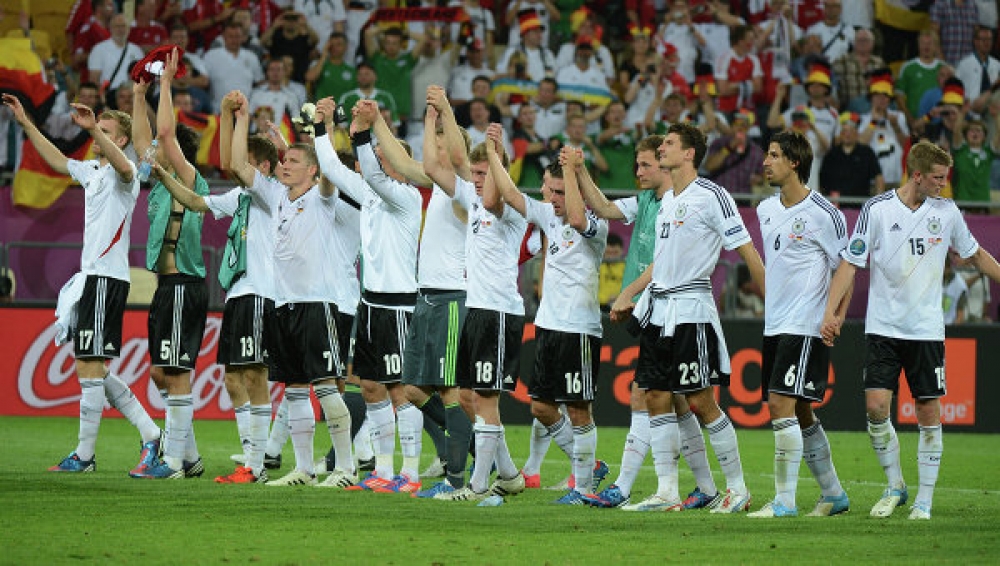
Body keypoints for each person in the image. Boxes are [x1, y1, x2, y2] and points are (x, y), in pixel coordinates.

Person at [822, 140, 1000, 520]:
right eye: (937, 178)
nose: (943, 184)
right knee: (875, 407)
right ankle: (895, 485)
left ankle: (925, 499)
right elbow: (850, 263)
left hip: (925, 330)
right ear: (916, 175)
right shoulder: (877, 209)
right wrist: (830, 312)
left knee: (927, 408)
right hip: (883, 326)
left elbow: (974, 253)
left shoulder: (947, 212)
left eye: (945, 178)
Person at [2, 94, 162, 474]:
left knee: (89, 367)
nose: (96, 136)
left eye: (105, 132)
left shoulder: (126, 176)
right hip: (90, 279)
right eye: (96, 131)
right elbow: (57, 159)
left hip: (108, 279)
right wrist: (27, 124)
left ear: (120, 139)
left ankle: (86, 456)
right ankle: (151, 433)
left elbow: (126, 168)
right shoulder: (91, 170)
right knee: (91, 368)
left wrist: (94, 130)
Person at [617, 122, 765, 512]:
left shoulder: (712, 196)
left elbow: (747, 250)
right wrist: (634, 296)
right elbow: (661, 263)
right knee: (655, 396)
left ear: (688, 154)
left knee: (700, 399)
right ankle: (667, 490)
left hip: (690, 311)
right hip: (658, 311)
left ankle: (738, 489)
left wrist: (772, 299)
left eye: (668, 143)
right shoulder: (667, 201)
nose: (661, 148)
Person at [579, 135, 722, 510]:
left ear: (665, 164)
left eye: (647, 164)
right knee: (670, 399)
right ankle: (703, 487)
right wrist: (579, 171)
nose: (639, 171)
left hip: (669, 306)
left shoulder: (681, 204)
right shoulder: (646, 201)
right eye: (638, 165)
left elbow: (668, 263)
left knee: (649, 392)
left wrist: (629, 293)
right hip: (652, 309)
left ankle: (626, 486)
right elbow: (604, 207)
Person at [152, 90, 280, 485]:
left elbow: (231, 162)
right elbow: (196, 201)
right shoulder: (241, 197)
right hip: (238, 294)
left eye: (251, 164)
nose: (240, 169)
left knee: (255, 376)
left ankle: (257, 466)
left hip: (261, 292)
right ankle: (253, 457)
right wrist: (163, 178)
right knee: (233, 378)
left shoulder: (268, 193)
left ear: (264, 167)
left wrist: (235, 118)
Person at [227, 90, 342, 488]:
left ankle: (344, 468)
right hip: (283, 305)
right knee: (294, 391)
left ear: (312, 170)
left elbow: (329, 171)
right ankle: (304, 469)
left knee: (326, 388)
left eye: (293, 161)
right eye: (283, 160)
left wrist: (324, 130)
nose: (284, 164)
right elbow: (237, 166)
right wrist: (240, 118)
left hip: (316, 304)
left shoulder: (322, 197)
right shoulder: (276, 195)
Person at [748, 130, 851, 518]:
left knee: (780, 404)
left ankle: (784, 501)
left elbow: (847, 268)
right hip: (775, 323)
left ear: (794, 162)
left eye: (773, 155)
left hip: (805, 324)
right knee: (801, 409)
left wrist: (835, 315)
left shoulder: (825, 214)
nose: (765, 162)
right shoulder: (766, 210)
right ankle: (834, 493)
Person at [426, 124, 528, 502]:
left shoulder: (510, 208)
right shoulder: (472, 195)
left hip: (498, 313)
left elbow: (492, 200)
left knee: (485, 399)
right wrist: (445, 111)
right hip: (476, 310)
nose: (477, 178)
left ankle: (478, 486)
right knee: (467, 397)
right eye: (476, 172)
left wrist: (496, 154)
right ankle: (509, 474)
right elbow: (441, 166)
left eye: (485, 173)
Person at [128, 50, 209, 480]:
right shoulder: (159, 182)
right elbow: (145, 142)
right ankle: (190, 455)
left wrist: (165, 82)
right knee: (161, 372)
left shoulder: (190, 178)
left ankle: (174, 462)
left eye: (162, 148)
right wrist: (138, 95)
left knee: (175, 372)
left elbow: (161, 133)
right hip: (166, 287)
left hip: (184, 285)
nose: (151, 152)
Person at [338, 100, 423, 492]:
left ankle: (411, 473)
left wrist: (363, 131)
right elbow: (333, 170)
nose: (380, 162)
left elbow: (369, 171)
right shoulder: (373, 194)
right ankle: (383, 471)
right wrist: (327, 130)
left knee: (401, 390)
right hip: (370, 302)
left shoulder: (407, 198)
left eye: (387, 156)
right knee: (370, 386)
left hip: (400, 304)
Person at [819, 112, 884, 204]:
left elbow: (878, 177)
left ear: (857, 133)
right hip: (835, 207)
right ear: (841, 134)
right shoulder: (831, 154)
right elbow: (822, 181)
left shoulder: (866, 153)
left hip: (860, 205)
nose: (847, 134)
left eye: (851, 131)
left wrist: (878, 201)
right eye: (845, 131)